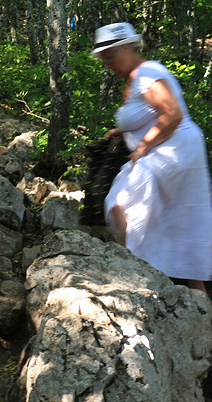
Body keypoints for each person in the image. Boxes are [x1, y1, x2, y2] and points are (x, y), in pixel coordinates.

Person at [91, 21, 212, 293]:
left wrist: (143, 146)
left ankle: (132, 273)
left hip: (173, 151)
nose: (106, 62)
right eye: (103, 57)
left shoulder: (147, 73)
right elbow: (148, 116)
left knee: (121, 203)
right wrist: (122, 132)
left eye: (110, 54)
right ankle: (195, 297)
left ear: (128, 47)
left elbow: (172, 114)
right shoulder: (136, 78)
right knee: (180, 220)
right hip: (171, 151)